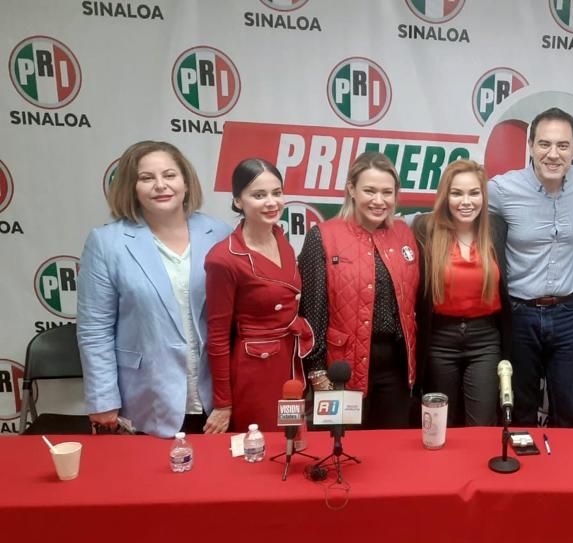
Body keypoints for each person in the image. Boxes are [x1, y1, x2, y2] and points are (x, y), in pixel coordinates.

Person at [77, 140, 231, 438]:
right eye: (146, 178)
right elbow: (94, 330)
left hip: (216, 400)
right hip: (146, 399)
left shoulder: (221, 234)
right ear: (131, 187)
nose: (161, 185)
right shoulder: (106, 243)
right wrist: (103, 399)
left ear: (186, 182)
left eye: (170, 175)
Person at [488, 107, 573, 428]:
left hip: (568, 313)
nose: (553, 154)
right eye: (544, 144)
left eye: (563, 145)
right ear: (530, 146)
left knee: (566, 409)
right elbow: (455, 208)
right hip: (520, 314)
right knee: (521, 408)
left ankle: (563, 461)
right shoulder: (503, 189)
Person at [298, 151, 419, 429]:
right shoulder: (323, 236)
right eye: (370, 190)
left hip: (396, 371)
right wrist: (316, 371)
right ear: (351, 189)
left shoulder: (404, 234)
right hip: (341, 371)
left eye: (387, 192)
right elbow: (312, 310)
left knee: (392, 448)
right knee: (341, 447)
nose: (379, 200)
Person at [204, 159, 313, 433]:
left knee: (292, 440)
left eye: (277, 193)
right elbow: (217, 336)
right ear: (238, 201)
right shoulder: (224, 258)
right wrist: (223, 403)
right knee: (261, 445)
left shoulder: (280, 237)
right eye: (259, 195)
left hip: (289, 361)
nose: (271, 202)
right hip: (256, 368)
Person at [412, 159, 510, 426]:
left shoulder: (497, 228)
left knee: (482, 423)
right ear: (445, 196)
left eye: (474, 193)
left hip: (485, 340)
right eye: (457, 193)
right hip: (439, 339)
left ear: (483, 196)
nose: (466, 202)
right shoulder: (424, 228)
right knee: (443, 423)